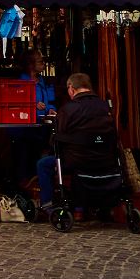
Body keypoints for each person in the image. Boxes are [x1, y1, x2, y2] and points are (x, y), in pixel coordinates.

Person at [36, 73, 117, 212]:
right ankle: (82, 206)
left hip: (77, 160)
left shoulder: (68, 109)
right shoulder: (105, 107)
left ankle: (48, 205)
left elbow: (57, 139)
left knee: (43, 163)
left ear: (71, 88)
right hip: (105, 159)